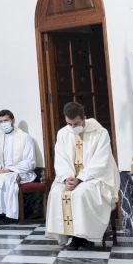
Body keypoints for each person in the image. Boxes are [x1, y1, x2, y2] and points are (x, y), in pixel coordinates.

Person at [45, 102, 119, 248]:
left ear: (84, 118)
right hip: (71, 178)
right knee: (56, 192)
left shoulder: (100, 133)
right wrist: (67, 178)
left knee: (81, 194)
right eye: (69, 124)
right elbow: (61, 159)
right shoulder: (63, 133)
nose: (72, 127)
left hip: (95, 177)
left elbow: (101, 161)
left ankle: (83, 237)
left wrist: (80, 179)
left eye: (76, 124)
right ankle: (69, 234)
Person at [0, 109, 37, 223]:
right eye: (1, 121)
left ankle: (8, 215)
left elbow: (30, 161)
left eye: (6, 120)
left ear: (12, 120)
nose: (3, 123)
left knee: (7, 179)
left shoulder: (25, 137)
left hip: (19, 171)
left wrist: (9, 169)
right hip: (1, 171)